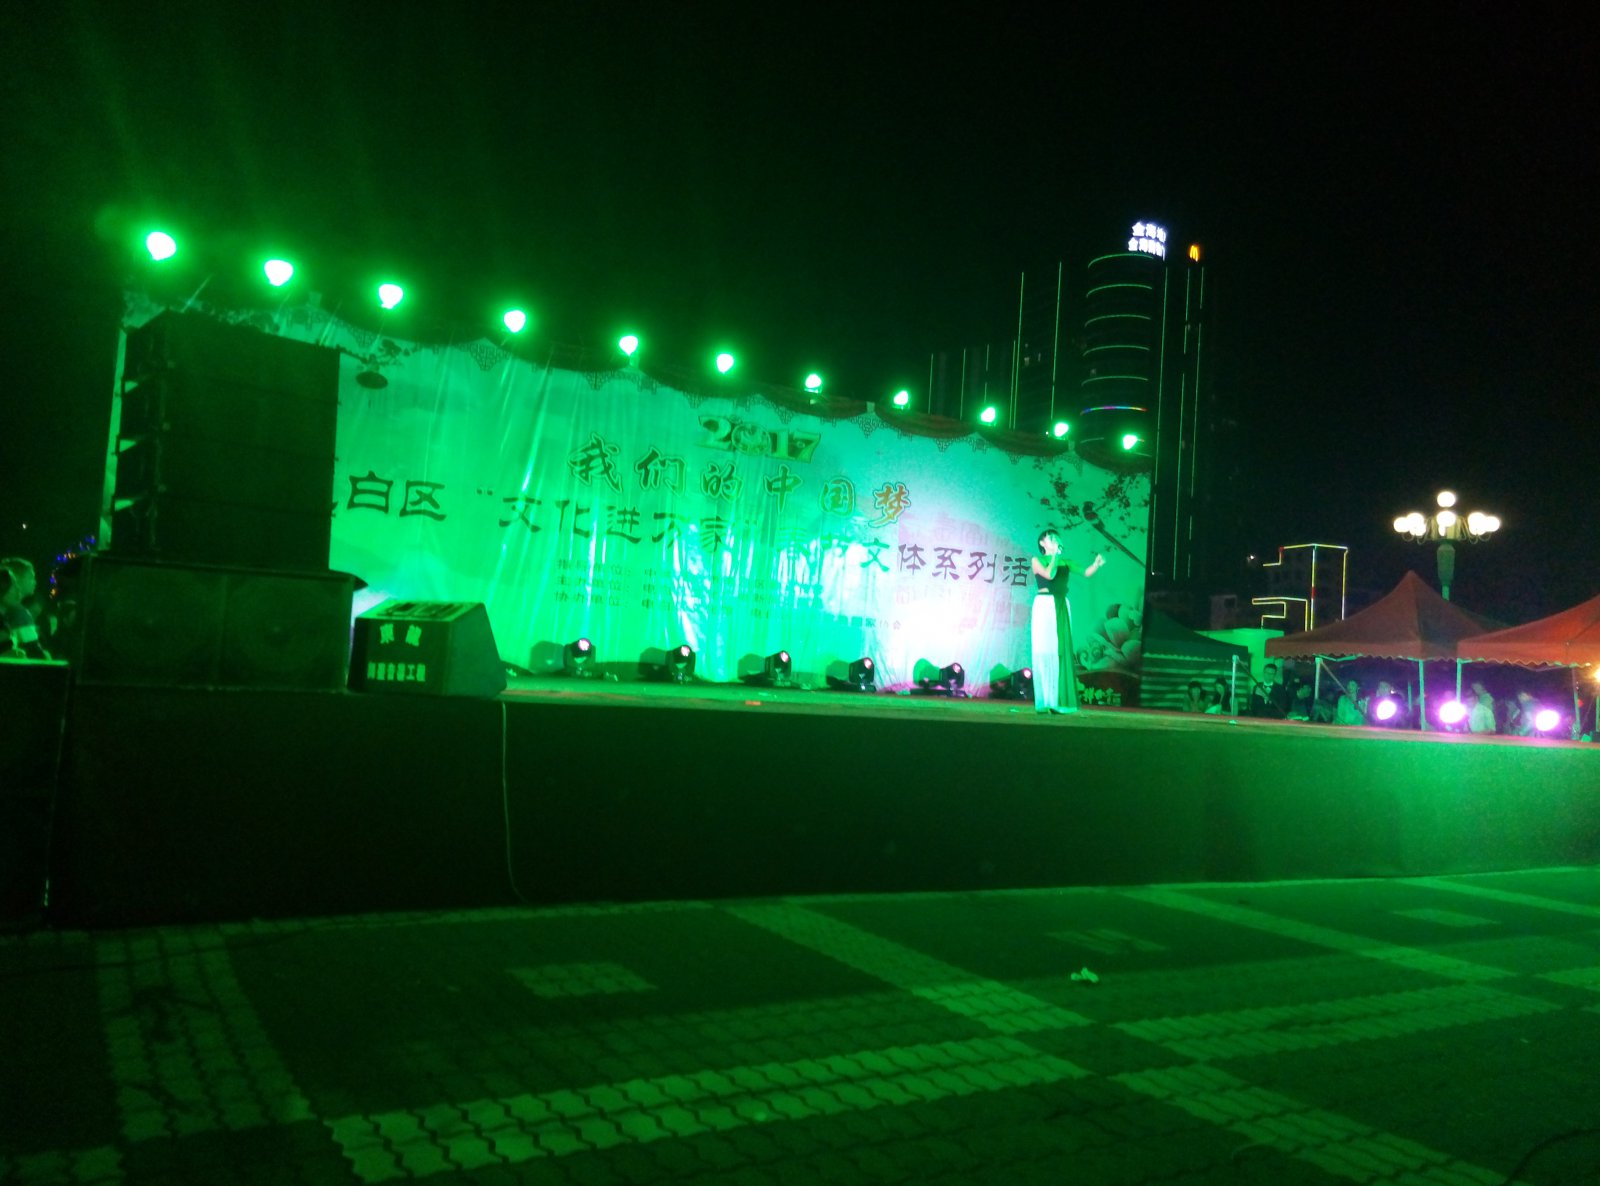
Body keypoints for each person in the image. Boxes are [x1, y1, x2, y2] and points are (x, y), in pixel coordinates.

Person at [1030, 528, 1105, 715]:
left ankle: (1059, 700)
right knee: (1046, 650)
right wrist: (1054, 557)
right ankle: (1045, 700)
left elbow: (1086, 572)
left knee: (1061, 650)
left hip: (1062, 605)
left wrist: (1096, 564)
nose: (1055, 539)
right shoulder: (1037, 560)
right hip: (1045, 605)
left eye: (1056, 537)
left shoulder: (1067, 562)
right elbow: (1049, 575)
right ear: (1042, 543)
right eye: (1051, 538)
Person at [0, 558, 46, 659]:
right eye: (31, 578)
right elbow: (35, 652)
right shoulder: (18, 613)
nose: (35, 582)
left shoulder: (6, 616)